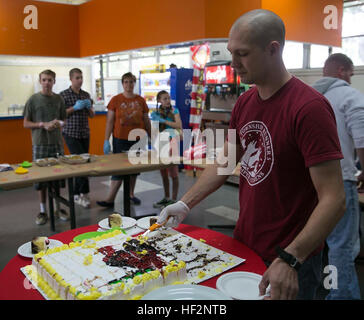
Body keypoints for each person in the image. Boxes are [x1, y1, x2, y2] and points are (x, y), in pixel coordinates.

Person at [157, 9, 346, 300]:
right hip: (245, 244)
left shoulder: (309, 108)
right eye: (232, 52)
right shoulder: (245, 103)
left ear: (273, 49)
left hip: (293, 260)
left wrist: (291, 257)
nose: (233, 64)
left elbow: (334, 199)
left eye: (242, 54)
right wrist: (185, 203)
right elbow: (225, 163)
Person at [312, 53, 363, 300]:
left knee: (314, 240)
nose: (352, 79)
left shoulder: (310, 96)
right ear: (342, 71)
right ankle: (340, 295)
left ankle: (315, 289)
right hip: (340, 180)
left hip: (309, 181)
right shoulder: (350, 97)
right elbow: (362, 139)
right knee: (342, 245)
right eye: (352, 74)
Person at [97, 72, 151, 208]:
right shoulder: (115, 100)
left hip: (138, 139)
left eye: (131, 82)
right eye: (126, 82)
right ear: (122, 84)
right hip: (120, 139)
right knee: (119, 170)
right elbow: (109, 121)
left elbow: (146, 119)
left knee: (134, 169)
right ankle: (110, 199)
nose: (129, 85)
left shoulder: (141, 100)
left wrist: (151, 136)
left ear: (135, 83)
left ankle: (130, 194)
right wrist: (106, 140)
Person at [23, 69, 68, 225]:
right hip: (40, 143)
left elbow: (64, 120)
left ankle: (58, 207)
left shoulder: (59, 99)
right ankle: (43, 211)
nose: (47, 83)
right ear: (40, 81)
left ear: (54, 81)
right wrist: (42, 124)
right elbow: (26, 123)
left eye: (50, 80)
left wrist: (57, 123)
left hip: (56, 143)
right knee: (41, 180)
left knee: (57, 177)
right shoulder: (33, 100)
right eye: (44, 80)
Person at [60, 68, 94, 208]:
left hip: (84, 133)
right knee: (81, 162)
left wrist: (88, 107)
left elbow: (92, 115)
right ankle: (82, 194)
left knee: (84, 162)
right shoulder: (64, 95)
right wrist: (74, 107)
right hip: (70, 133)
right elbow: (60, 114)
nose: (80, 80)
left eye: (81, 77)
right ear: (71, 79)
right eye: (77, 78)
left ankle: (77, 194)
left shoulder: (85, 94)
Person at [151, 90, 182, 208]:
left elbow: (178, 125)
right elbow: (154, 131)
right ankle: (166, 197)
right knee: (163, 173)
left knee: (173, 173)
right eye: (165, 99)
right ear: (159, 101)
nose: (168, 101)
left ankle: (173, 200)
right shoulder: (156, 112)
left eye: (168, 98)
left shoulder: (175, 110)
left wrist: (163, 121)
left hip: (172, 142)